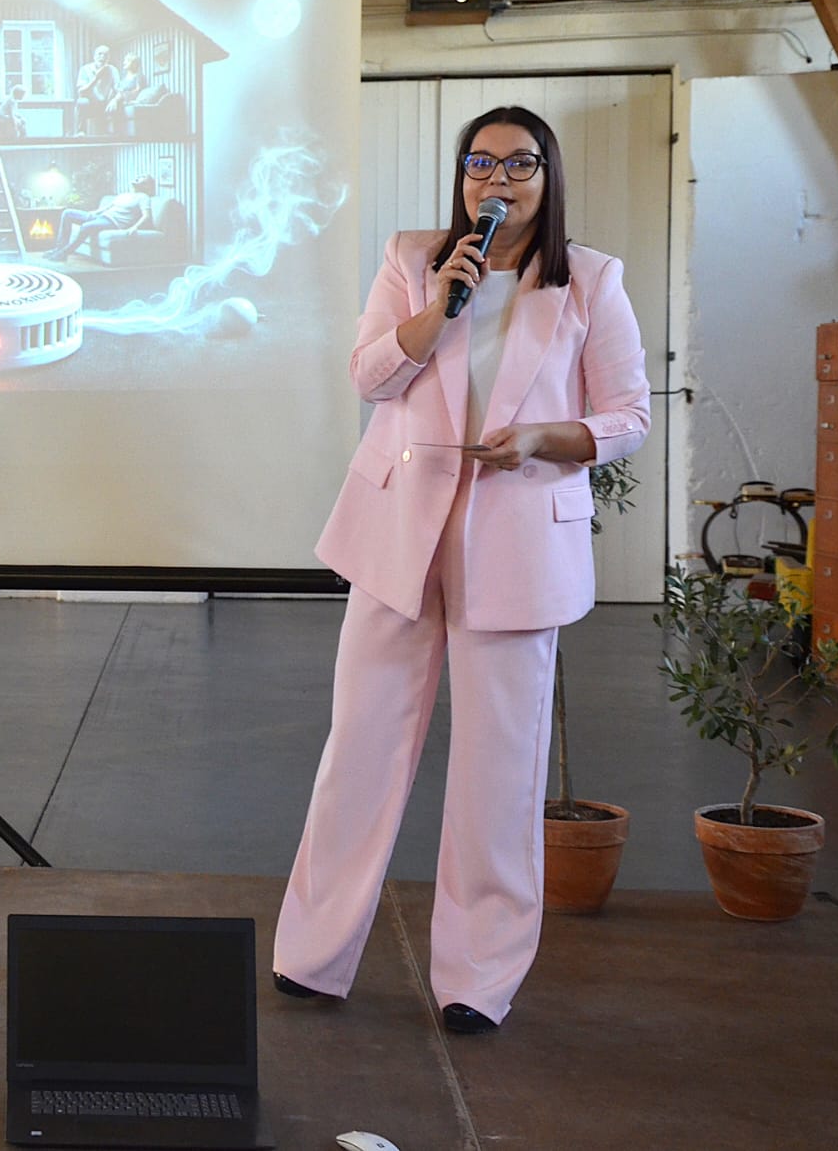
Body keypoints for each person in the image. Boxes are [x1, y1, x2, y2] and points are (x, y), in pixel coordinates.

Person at [272, 107, 649, 1032]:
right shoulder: (414, 261)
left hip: (517, 539)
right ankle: (314, 954)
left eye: (519, 164)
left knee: (499, 770)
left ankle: (478, 979)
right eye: (481, 163)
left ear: (548, 178)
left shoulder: (590, 280)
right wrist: (437, 307)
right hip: (398, 532)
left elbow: (628, 416)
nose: (498, 180)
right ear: (462, 177)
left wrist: (545, 438)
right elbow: (369, 378)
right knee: (359, 748)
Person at [43, 174, 156, 263]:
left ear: (146, 185)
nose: (139, 177)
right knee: (67, 213)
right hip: (101, 216)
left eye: (143, 178)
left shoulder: (143, 197)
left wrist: (134, 227)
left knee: (86, 226)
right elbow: (108, 207)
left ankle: (64, 253)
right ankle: (58, 248)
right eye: (139, 176)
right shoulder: (123, 195)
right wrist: (93, 213)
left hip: (113, 222)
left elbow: (146, 216)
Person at [72, 44, 118, 135]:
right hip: (91, 104)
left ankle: (115, 133)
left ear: (108, 58)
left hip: (105, 103)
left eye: (105, 55)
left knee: (118, 102)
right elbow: (81, 92)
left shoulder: (113, 70)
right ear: (94, 56)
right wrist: (96, 78)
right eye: (99, 54)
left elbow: (120, 90)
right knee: (82, 101)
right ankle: (81, 131)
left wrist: (115, 100)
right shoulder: (85, 69)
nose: (102, 57)